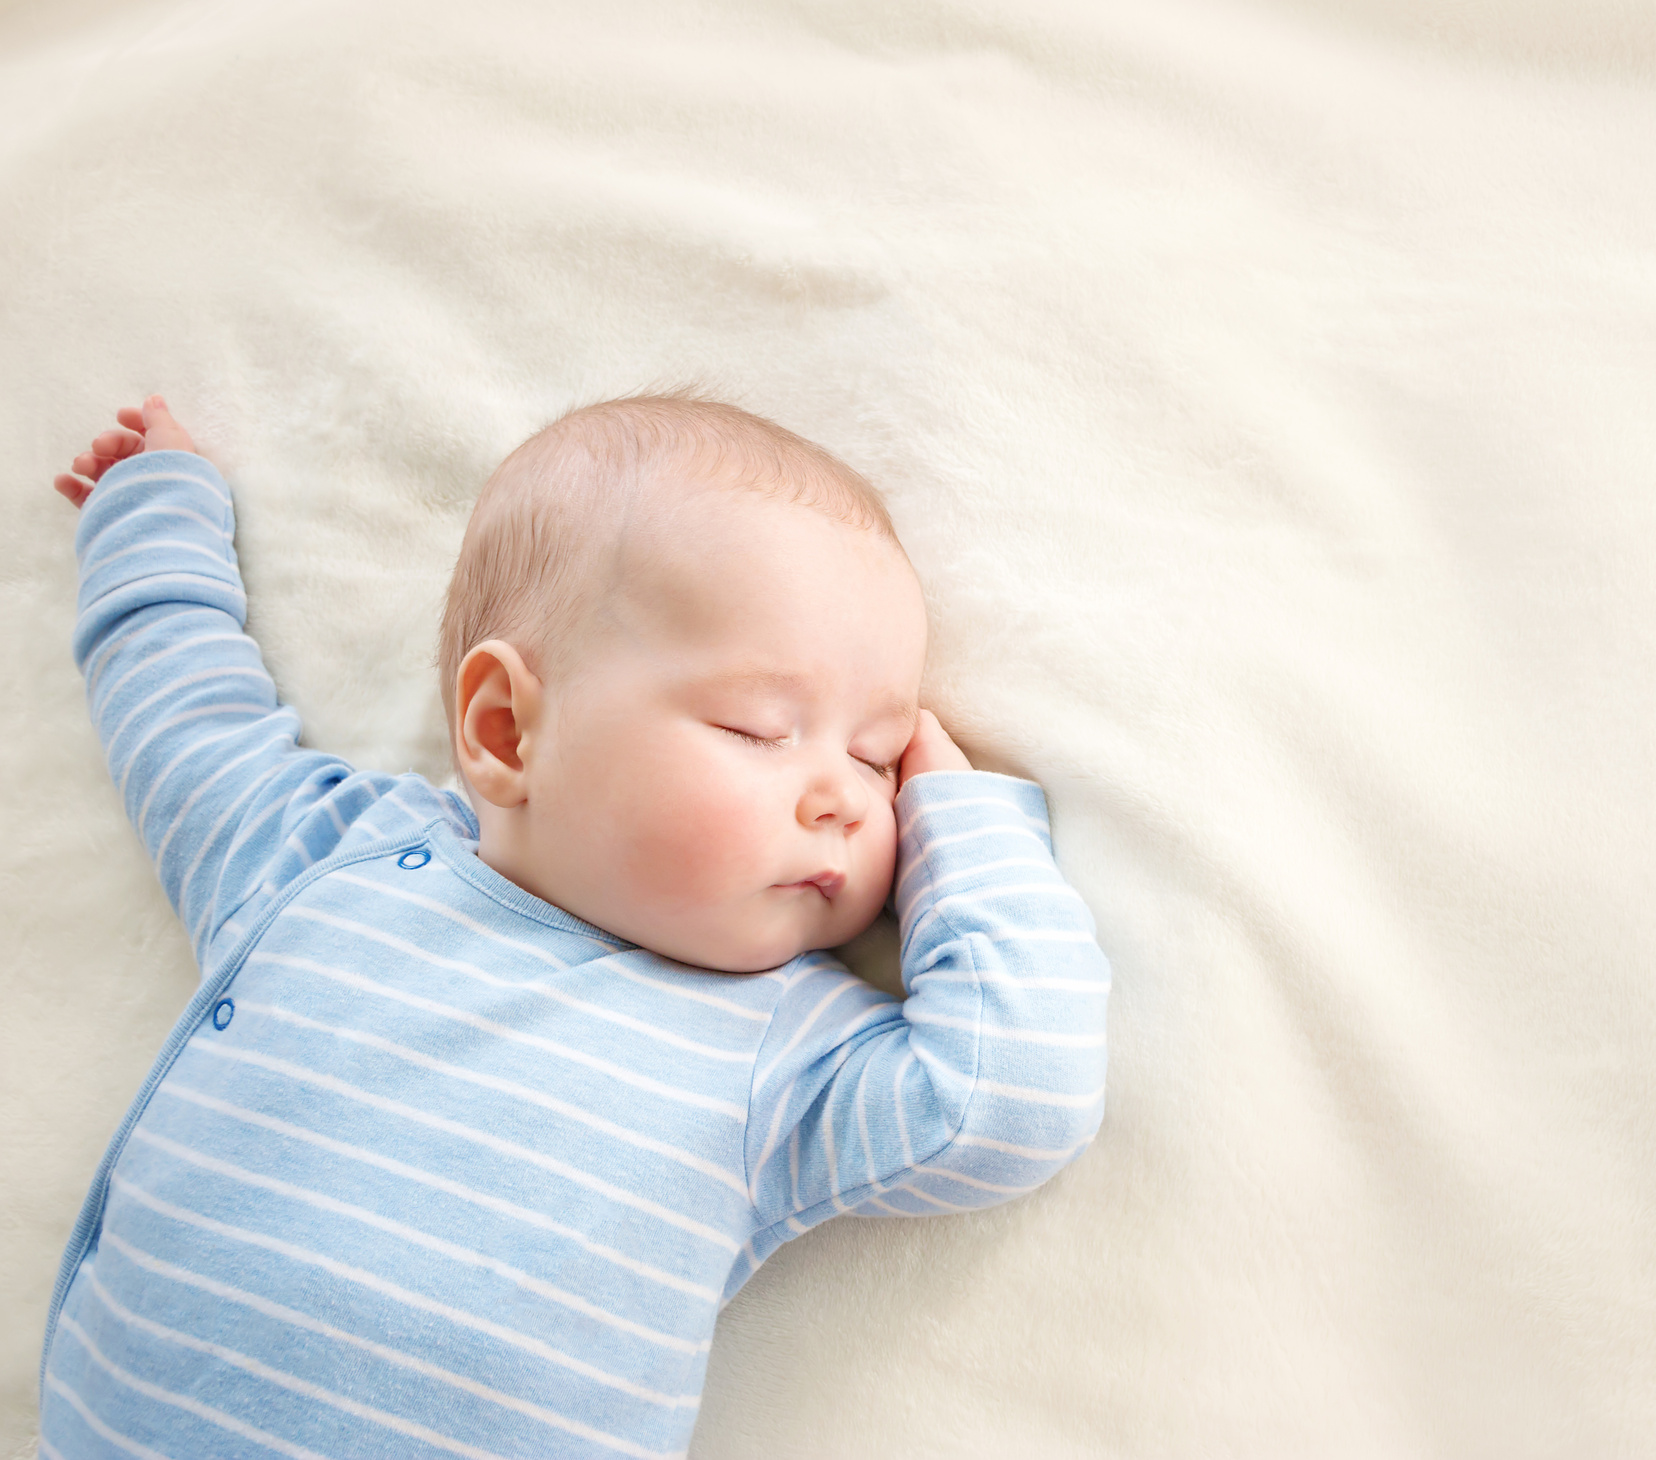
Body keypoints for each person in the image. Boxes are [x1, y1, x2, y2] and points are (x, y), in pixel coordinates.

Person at [40, 392, 1109, 1458]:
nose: (843, 793)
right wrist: (152, 511)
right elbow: (182, 714)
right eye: (759, 727)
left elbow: (1009, 1096)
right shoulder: (319, 857)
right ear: (505, 729)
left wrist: (957, 821)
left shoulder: (781, 1050)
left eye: (877, 755)